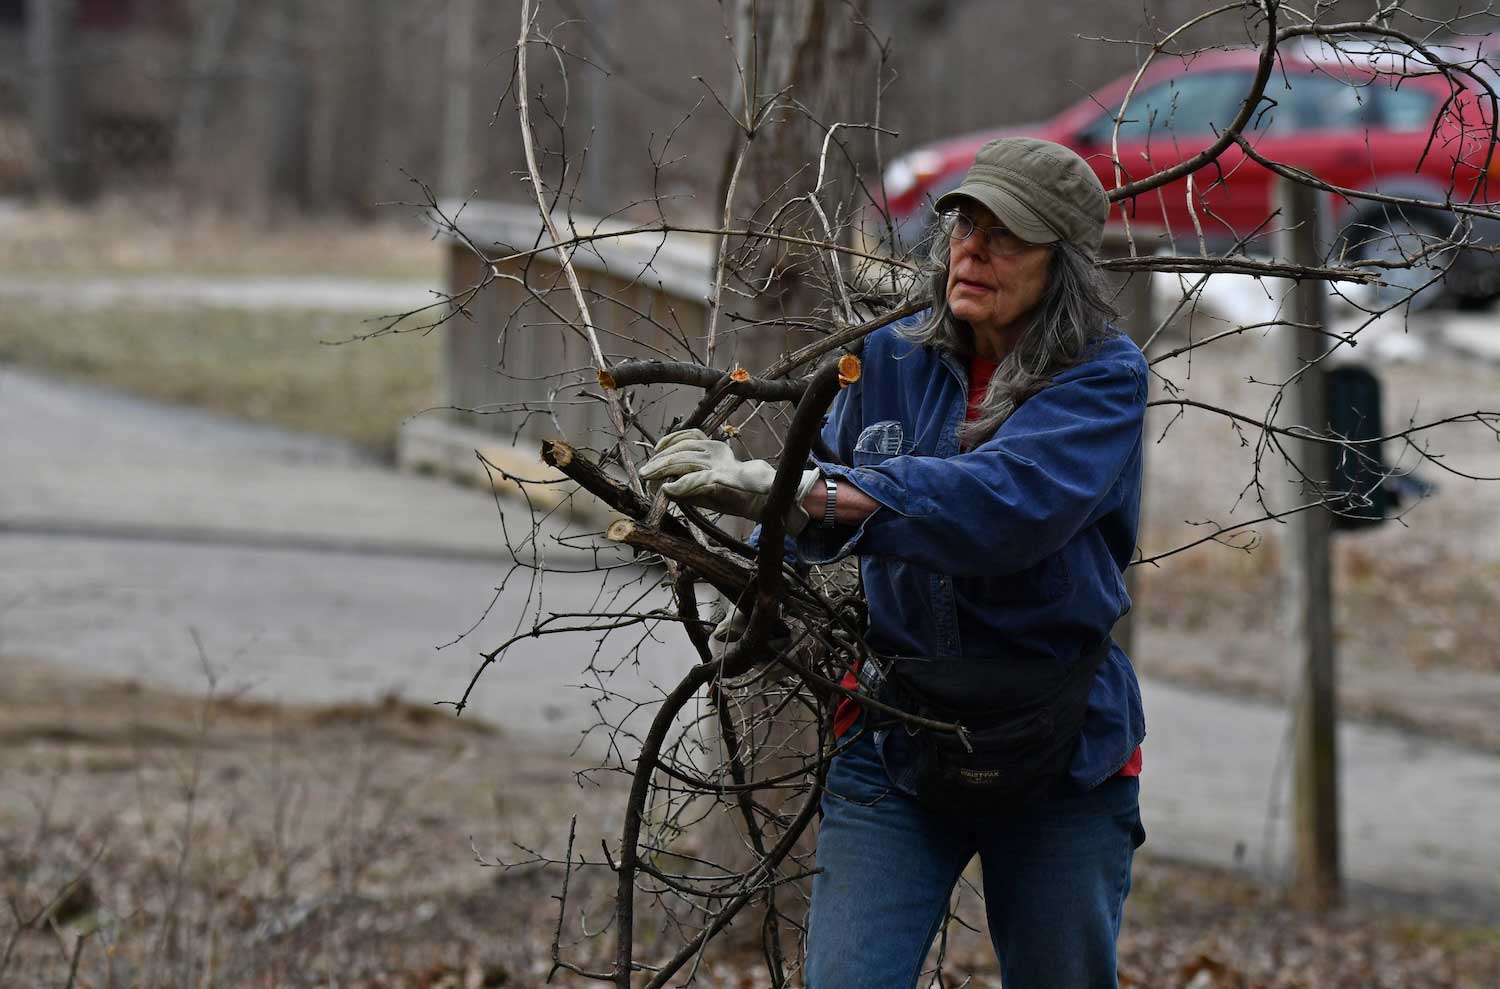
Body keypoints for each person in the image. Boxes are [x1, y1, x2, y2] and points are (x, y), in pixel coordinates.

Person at [639, 137, 1148, 989]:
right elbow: (838, 512)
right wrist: (778, 580)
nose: (972, 251)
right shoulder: (888, 358)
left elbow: (1003, 506)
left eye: (1005, 236)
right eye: (963, 225)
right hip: (897, 730)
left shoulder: (1102, 378)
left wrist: (792, 491)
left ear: (1062, 265)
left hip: (1059, 744)